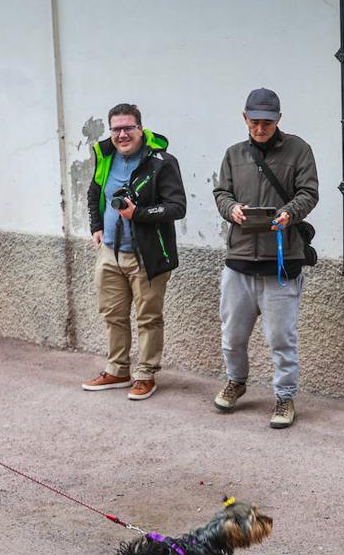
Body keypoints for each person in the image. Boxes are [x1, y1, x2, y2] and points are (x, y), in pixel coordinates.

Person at [212, 88, 319, 429]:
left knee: (281, 339)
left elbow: (309, 192)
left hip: (282, 262)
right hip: (239, 261)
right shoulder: (233, 154)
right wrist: (232, 209)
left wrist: (290, 213)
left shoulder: (299, 150)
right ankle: (236, 382)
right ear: (244, 118)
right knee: (232, 336)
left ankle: (285, 397)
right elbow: (221, 192)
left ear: (278, 120)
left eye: (267, 123)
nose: (260, 129)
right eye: (255, 122)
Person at [81, 103, 186, 400]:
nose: (122, 134)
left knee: (148, 317)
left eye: (128, 128)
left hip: (148, 254)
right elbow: (94, 193)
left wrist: (138, 213)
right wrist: (96, 226)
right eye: (116, 129)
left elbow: (177, 207)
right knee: (112, 314)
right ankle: (117, 369)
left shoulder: (161, 162)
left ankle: (146, 374)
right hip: (110, 252)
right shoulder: (105, 157)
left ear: (141, 129)